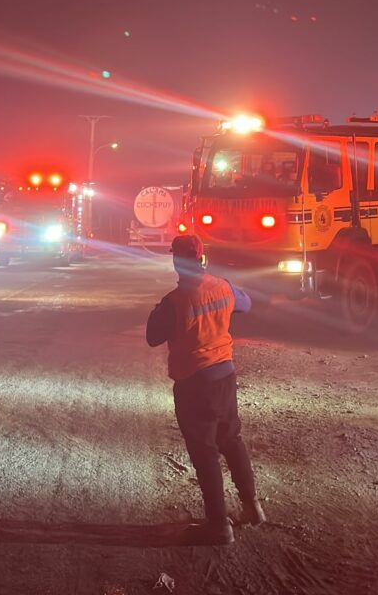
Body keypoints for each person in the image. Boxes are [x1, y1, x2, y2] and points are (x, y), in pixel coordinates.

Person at [146, 233, 266, 546]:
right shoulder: (223, 287)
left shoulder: (175, 302)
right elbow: (246, 303)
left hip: (194, 383)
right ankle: (253, 507)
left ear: (175, 260)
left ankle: (218, 526)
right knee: (231, 438)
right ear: (201, 258)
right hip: (224, 377)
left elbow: (152, 335)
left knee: (205, 453)